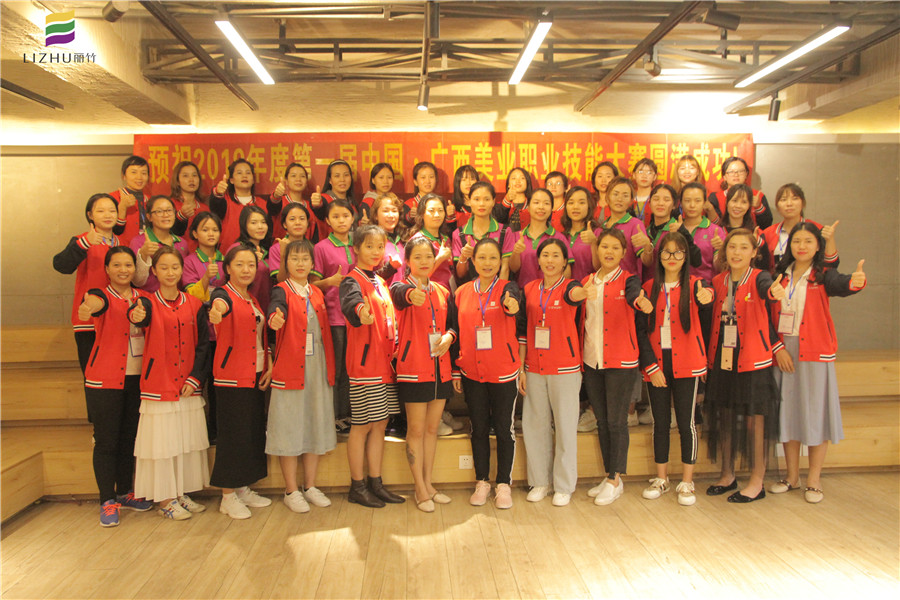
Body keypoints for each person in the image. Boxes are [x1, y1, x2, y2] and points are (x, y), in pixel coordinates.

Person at [770, 223, 866, 504]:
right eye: (796, 241)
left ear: (817, 246)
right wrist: (778, 349)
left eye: (808, 241)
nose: (801, 246)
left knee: (815, 414)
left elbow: (842, 284)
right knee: (787, 413)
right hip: (784, 351)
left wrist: (856, 282)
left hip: (813, 351)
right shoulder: (779, 275)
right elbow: (768, 314)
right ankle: (791, 476)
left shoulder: (823, 275)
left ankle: (813, 479)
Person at [705, 228, 787, 503]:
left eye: (743, 247)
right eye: (732, 247)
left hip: (752, 358)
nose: (737, 252)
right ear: (724, 251)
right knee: (725, 416)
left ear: (754, 253)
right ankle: (727, 475)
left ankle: (756, 481)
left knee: (755, 421)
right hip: (722, 357)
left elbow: (768, 291)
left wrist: (774, 291)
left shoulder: (760, 277)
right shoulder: (718, 281)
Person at [129, 247, 211, 521]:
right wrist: (135, 315)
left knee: (184, 441)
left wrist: (195, 378)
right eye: (163, 267)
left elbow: (203, 346)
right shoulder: (147, 303)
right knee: (162, 444)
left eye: (175, 267)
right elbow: (137, 316)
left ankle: (180, 492)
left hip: (187, 384)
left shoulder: (195, 304)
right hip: (159, 383)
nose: (170, 272)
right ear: (154, 271)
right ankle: (165, 499)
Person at [76, 246, 153, 526]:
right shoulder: (101, 295)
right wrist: (88, 307)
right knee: (107, 440)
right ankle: (107, 500)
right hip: (104, 379)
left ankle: (124, 492)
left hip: (137, 379)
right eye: (117, 265)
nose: (123, 270)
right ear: (107, 269)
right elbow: (95, 302)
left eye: (128, 265)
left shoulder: (144, 298)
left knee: (129, 438)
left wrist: (142, 316)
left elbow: (148, 318)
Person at [638, 232, 713, 507]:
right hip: (658, 363)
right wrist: (651, 367)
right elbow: (641, 331)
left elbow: (707, 301)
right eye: (667, 252)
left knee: (686, 423)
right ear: (659, 257)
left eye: (678, 252)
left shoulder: (696, 285)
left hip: (688, 363)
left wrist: (707, 296)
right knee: (660, 422)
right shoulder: (648, 287)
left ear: (686, 256)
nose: (672, 257)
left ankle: (687, 481)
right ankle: (661, 478)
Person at [581, 229, 654, 506]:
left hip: (621, 361)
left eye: (615, 248)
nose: (609, 252)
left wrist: (640, 301)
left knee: (617, 421)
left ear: (624, 252)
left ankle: (615, 479)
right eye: (604, 247)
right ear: (597, 250)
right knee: (601, 421)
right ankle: (609, 474)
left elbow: (635, 295)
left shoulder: (629, 280)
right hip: (592, 360)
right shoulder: (587, 281)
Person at [518, 238, 590, 507]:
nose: (550, 260)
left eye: (556, 255)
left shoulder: (570, 286)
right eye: (545, 255)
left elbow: (575, 295)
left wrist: (583, 293)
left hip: (565, 368)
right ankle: (540, 482)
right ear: (538, 260)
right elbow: (523, 331)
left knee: (565, 427)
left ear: (564, 261)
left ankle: (563, 485)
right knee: (534, 426)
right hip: (534, 367)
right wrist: (521, 368)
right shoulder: (529, 289)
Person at [266, 239, 337, 513]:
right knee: (289, 426)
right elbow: (276, 309)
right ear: (286, 263)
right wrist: (275, 318)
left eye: (305, 259)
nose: (300, 264)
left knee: (314, 423)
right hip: (291, 368)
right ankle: (291, 489)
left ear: (312, 264)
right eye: (294, 259)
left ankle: (310, 485)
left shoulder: (316, 292)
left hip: (317, 367)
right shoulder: (280, 290)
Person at [451, 238, 522, 509]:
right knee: (478, 428)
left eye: (493, 258)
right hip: (471, 372)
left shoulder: (507, 288)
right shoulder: (462, 292)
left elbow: (512, 302)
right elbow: (456, 332)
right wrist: (456, 370)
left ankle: (503, 483)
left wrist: (511, 304)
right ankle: (482, 481)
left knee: (504, 429)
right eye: (482, 257)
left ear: (500, 261)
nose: (487, 263)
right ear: (473, 261)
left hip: (503, 371)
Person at [339, 224, 406, 507]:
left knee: (380, 424)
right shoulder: (351, 280)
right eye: (369, 246)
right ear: (356, 248)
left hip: (384, 364)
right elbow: (352, 303)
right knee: (362, 425)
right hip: (365, 366)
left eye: (380, 247)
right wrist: (360, 312)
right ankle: (357, 486)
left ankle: (376, 483)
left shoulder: (378, 279)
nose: (376, 252)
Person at [390, 238, 456, 512]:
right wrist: (411, 294)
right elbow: (400, 295)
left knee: (432, 430)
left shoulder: (442, 291)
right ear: (408, 261)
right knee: (416, 431)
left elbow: (453, 325)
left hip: (440, 368)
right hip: (414, 368)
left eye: (429, 256)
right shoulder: (400, 287)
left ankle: (429, 484)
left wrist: (450, 336)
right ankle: (419, 489)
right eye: (417, 257)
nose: (424, 261)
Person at [208, 245, 273, 519]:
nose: (246, 270)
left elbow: (259, 337)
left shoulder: (252, 298)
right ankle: (227, 495)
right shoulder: (224, 294)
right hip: (232, 376)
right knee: (232, 435)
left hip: (255, 373)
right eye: (239, 264)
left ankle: (243, 487)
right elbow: (219, 305)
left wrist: (268, 364)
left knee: (251, 431)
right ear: (228, 268)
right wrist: (216, 310)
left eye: (251, 265)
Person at [53, 193, 122, 375]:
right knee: (93, 375)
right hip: (88, 321)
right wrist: (85, 243)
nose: (107, 215)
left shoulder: (124, 244)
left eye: (112, 211)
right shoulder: (81, 240)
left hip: (118, 319)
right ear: (90, 215)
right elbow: (61, 265)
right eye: (101, 211)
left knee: (118, 376)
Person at [311, 199, 356, 433]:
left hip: (356, 317)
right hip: (334, 317)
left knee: (352, 370)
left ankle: (349, 415)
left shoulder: (359, 243)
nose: (341, 220)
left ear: (352, 218)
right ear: (327, 221)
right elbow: (311, 284)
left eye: (345, 216)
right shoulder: (321, 247)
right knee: (336, 370)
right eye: (336, 217)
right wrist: (329, 281)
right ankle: (335, 416)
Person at [182, 211, 226, 441]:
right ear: (195, 233)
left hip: (223, 332)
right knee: (201, 380)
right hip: (200, 332)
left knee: (219, 386)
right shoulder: (189, 261)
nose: (211, 234)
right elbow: (191, 294)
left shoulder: (227, 259)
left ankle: (218, 430)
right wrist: (207, 278)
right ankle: (198, 433)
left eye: (215, 230)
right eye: (205, 229)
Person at [760, 183, 839, 271]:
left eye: (795, 198)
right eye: (783, 199)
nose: (789, 203)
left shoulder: (817, 229)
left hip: (811, 278)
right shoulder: (768, 233)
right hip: (777, 278)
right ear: (777, 206)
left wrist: (830, 240)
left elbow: (832, 265)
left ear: (803, 203)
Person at [452, 181, 515, 283]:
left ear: (493, 201)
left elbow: (505, 268)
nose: (481, 204)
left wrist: (498, 290)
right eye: (477, 199)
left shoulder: (504, 231)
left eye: (486, 199)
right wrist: (464, 256)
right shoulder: (459, 234)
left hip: (497, 289)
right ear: (469, 201)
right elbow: (460, 274)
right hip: (470, 290)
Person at [509, 188, 569, 288]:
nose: (541, 207)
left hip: (550, 292)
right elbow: (514, 269)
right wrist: (516, 252)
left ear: (551, 208)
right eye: (536, 202)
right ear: (528, 207)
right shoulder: (516, 236)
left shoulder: (559, 238)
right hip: (523, 292)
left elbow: (566, 272)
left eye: (546, 203)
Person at [208, 158, 272, 249]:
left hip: (257, 253)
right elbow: (216, 206)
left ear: (253, 180)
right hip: (228, 252)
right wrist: (217, 193)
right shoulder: (225, 201)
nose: (244, 176)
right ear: (231, 180)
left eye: (248, 173)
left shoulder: (263, 204)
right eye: (239, 173)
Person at [131, 195, 189, 292]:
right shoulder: (139, 242)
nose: (165, 215)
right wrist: (143, 255)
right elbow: (137, 281)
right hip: (149, 297)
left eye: (169, 210)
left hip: (176, 298)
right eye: (159, 211)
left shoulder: (182, 243)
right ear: (149, 217)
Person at [679, 182, 727, 284]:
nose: (692, 205)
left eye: (697, 201)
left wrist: (721, 250)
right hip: (677, 286)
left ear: (704, 203)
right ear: (681, 203)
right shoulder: (675, 228)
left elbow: (719, 267)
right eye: (687, 201)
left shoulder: (715, 231)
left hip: (705, 286)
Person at [228, 205, 274, 312]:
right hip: (243, 307)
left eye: (263, 222)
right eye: (254, 223)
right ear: (244, 225)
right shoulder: (237, 249)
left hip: (266, 308)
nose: (260, 227)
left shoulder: (268, 250)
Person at [707, 156, 773, 230]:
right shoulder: (715, 197)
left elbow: (766, 225)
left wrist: (758, 207)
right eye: (731, 172)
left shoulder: (758, 196)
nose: (736, 175)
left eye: (741, 171)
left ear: (746, 174)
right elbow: (712, 226)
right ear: (724, 176)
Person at [409, 193, 454, 290]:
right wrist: (440, 258)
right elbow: (417, 277)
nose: (437, 215)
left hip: (447, 291)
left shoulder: (445, 238)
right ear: (422, 214)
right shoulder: (417, 241)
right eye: (431, 211)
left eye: (440, 210)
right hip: (429, 293)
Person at [271, 162, 323, 242]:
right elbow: (272, 206)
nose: (298, 179)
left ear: (306, 182)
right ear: (286, 181)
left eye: (302, 176)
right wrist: (276, 196)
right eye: (293, 176)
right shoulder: (280, 202)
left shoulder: (311, 206)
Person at [560, 186, 601, 282]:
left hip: (590, 288)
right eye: (571, 203)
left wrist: (594, 242)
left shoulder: (597, 233)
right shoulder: (562, 236)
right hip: (566, 289)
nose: (576, 207)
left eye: (581, 202)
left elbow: (600, 268)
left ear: (589, 206)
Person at [109, 155, 150, 246]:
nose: (139, 177)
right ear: (124, 176)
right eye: (134, 172)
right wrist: (122, 207)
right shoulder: (112, 198)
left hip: (146, 247)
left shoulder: (150, 200)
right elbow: (111, 229)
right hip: (122, 248)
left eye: (144, 173)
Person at [371, 192, 408, 286]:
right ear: (376, 215)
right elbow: (367, 278)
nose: (391, 215)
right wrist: (390, 267)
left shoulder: (403, 240)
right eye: (385, 211)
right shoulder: (370, 241)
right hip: (383, 294)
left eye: (394, 211)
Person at [269, 202, 311, 284]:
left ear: (307, 223)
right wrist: (283, 254)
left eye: (302, 219)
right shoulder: (276, 249)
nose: (298, 223)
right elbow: (281, 280)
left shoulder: (313, 247)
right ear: (285, 224)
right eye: (292, 219)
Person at [170, 161, 209, 246]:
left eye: (194, 175)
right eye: (185, 176)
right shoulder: (170, 205)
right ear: (177, 181)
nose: (191, 180)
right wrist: (181, 216)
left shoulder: (205, 209)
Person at [494, 167, 532, 231]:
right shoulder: (499, 207)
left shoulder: (533, 206)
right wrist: (507, 199)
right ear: (508, 184)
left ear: (527, 183)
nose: (518, 181)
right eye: (514, 178)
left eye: (522, 178)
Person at [403, 161, 438, 226]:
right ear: (415, 182)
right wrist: (410, 216)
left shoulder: (440, 203)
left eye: (431, 177)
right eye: (423, 177)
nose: (428, 181)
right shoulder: (408, 205)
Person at [451, 165, 479, 231]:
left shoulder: (483, 204)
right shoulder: (454, 208)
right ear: (458, 183)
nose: (468, 183)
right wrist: (449, 216)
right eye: (464, 180)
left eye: (472, 179)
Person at [631, 158, 659, 222]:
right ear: (634, 175)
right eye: (640, 172)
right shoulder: (629, 197)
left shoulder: (657, 198)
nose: (644, 176)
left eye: (649, 172)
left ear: (654, 177)